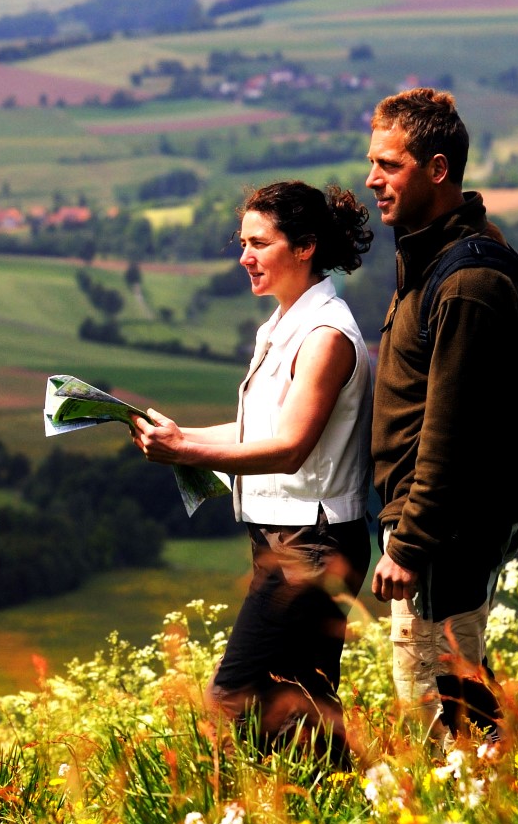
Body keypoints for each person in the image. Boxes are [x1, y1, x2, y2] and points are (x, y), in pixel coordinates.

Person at [131, 180, 373, 760]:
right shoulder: (283, 326)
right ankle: (343, 821)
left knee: (230, 699)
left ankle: (251, 817)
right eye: (243, 242)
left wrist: (186, 453)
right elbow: (258, 433)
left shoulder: (324, 336)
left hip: (309, 545)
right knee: (299, 707)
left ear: (306, 245)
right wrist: (179, 435)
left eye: (259, 243)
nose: (244, 257)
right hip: (289, 540)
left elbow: (288, 447)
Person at [363, 88, 518, 739]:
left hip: (444, 535)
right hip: (440, 529)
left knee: (435, 703)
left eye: (390, 165)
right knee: (453, 693)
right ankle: (486, 808)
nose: (373, 179)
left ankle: (473, 821)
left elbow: (450, 429)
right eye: (372, 163)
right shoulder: (431, 257)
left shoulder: (466, 282)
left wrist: (407, 540)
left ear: (437, 169)